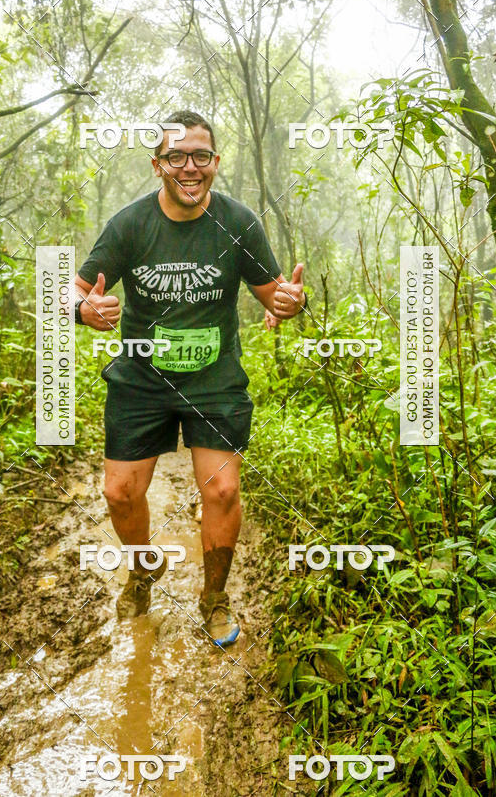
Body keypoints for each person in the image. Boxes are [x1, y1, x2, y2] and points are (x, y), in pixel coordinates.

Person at [73, 110, 306, 647]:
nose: (189, 166)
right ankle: (142, 567)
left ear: (215, 163)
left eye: (200, 155)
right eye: (176, 156)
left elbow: (273, 292)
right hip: (141, 376)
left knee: (222, 489)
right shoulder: (130, 224)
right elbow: (72, 292)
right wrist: (83, 310)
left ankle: (214, 599)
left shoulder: (239, 221)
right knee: (120, 491)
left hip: (213, 378)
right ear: (158, 165)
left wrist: (290, 302)